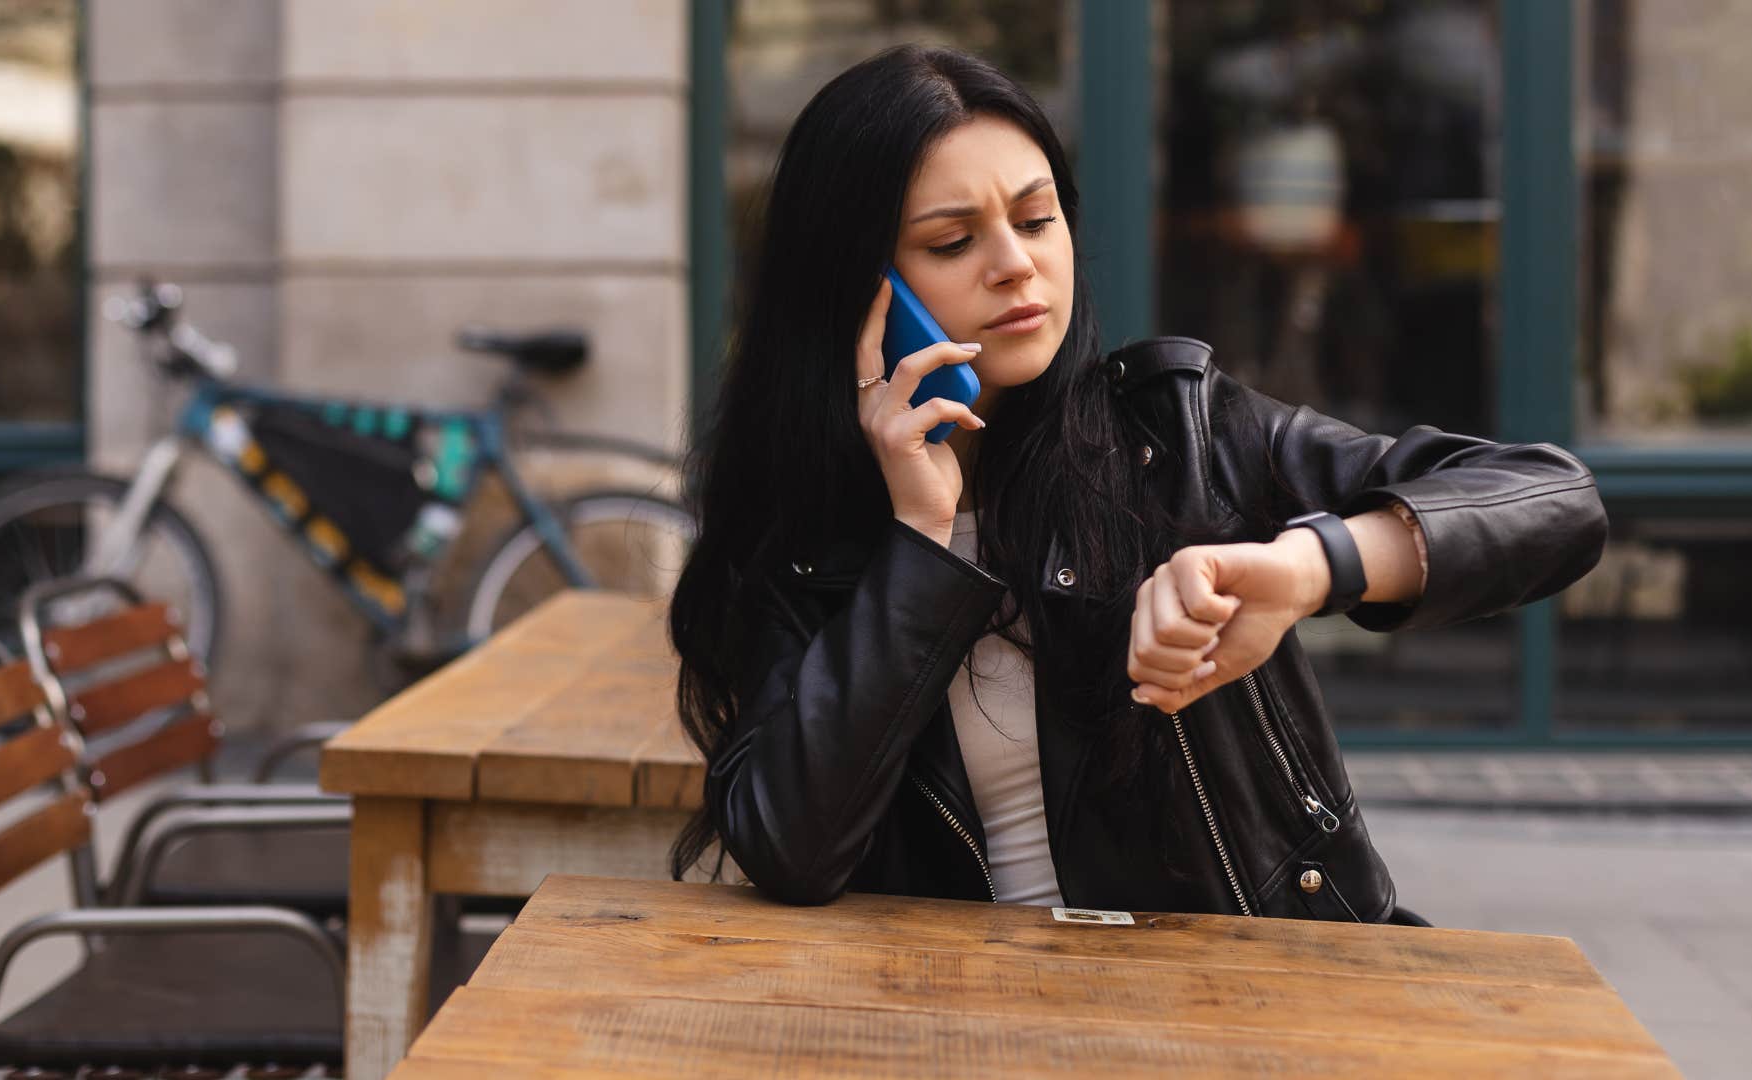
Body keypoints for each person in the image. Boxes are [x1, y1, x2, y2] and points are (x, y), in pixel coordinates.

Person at [667, 45, 1605, 922]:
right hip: (952, 1017)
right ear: (856, 293)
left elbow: (1553, 502)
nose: (1017, 264)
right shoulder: (796, 534)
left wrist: (1313, 568)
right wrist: (920, 535)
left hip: (1248, 1006)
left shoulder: (1179, 434)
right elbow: (792, 850)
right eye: (952, 243)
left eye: (1037, 220)